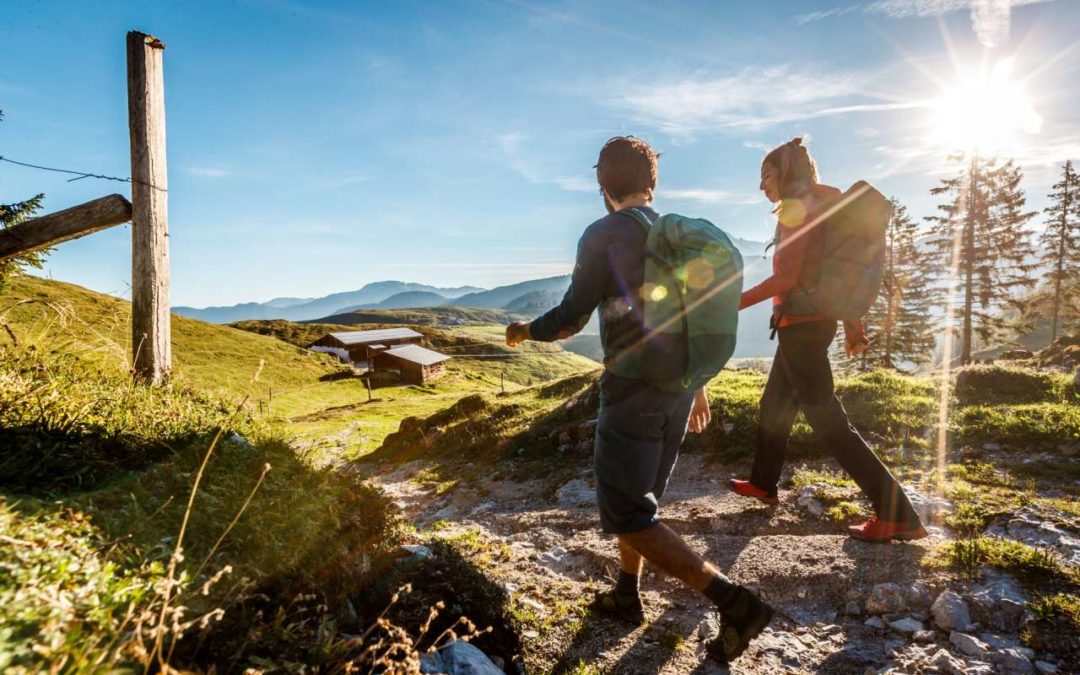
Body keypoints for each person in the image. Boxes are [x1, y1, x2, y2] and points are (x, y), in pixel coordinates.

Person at [505, 136, 772, 663]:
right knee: (644, 500)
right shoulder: (673, 235)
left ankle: (734, 602)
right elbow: (686, 318)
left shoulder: (603, 234)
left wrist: (523, 330)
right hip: (677, 391)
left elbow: (568, 321)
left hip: (633, 392)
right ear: (653, 183)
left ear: (603, 187)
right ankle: (627, 595)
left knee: (628, 513)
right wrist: (698, 384)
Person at [730, 137, 928, 543]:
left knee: (828, 419)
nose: (761, 185)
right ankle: (763, 483)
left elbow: (786, 277)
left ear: (783, 174)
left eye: (766, 175)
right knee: (774, 404)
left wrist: (733, 302)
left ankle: (899, 515)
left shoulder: (795, 209)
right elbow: (837, 272)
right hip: (812, 323)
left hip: (801, 325)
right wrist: (852, 323)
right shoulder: (828, 204)